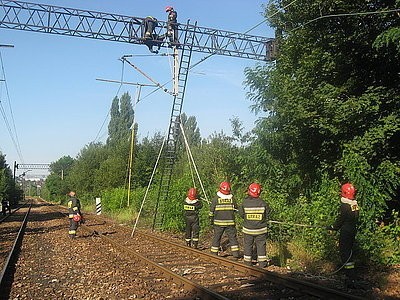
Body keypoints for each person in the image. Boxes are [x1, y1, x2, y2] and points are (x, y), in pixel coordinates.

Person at [327, 183, 360, 289]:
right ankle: (351, 275)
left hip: (345, 232)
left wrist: (332, 227)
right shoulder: (354, 204)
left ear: (344, 193)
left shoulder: (345, 206)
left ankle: (350, 277)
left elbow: (340, 220)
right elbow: (354, 218)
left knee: (345, 254)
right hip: (352, 231)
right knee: (349, 253)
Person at [238, 183, 270, 268]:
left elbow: (241, 214)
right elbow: (267, 216)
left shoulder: (244, 203)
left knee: (248, 245)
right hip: (261, 230)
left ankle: (247, 263)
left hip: (248, 229)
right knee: (261, 245)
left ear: (249, 191)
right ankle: (262, 263)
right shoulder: (263, 203)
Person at [209, 181, 240, 259]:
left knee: (217, 237)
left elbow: (211, 211)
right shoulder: (232, 198)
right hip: (230, 223)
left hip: (218, 223)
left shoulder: (216, 199)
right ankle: (236, 254)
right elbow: (236, 209)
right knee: (232, 238)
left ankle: (214, 253)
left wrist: (211, 220)